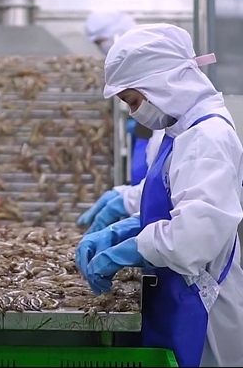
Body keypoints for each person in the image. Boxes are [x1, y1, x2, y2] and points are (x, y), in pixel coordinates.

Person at [76, 23, 243, 367]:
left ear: (163, 85)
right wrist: (128, 225)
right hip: (178, 288)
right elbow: (175, 199)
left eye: (134, 100)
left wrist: (129, 248)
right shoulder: (182, 129)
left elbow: (193, 239)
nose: (134, 112)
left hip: (202, 304)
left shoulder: (206, 138)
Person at [77, 10, 164, 234]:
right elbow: (165, 187)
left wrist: (141, 238)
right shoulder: (165, 131)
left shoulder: (201, 136)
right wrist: (125, 197)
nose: (135, 111)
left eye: (133, 101)